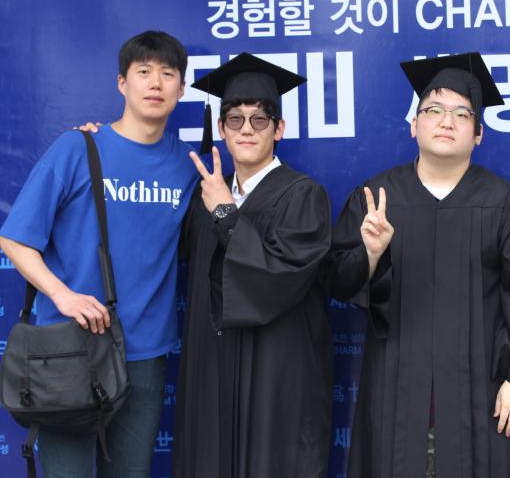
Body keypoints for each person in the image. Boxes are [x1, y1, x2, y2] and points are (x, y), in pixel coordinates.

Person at [327, 52, 510, 478]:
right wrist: (371, 253)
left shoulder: (506, 204)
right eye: (433, 110)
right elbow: (338, 282)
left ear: (479, 133)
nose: (447, 121)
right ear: (414, 125)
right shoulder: (377, 198)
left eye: (462, 114)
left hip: (485, 393)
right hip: (397, 386)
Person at [0, 31, 198, 478]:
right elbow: (14, 239)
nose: (156, 83)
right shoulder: (78, 148)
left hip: (145, 354)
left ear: (181, 89)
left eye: (168, 74)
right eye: (143, 71)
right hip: (70, 349)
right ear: (121, 83)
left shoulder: (188, 167)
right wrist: (63, 295)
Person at [172, 54, 332, 478]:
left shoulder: (303, 195)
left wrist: (226, 214)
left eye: (260, 120)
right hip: (211, 370)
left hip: (275, 376)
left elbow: (280, 275)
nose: (246, 129)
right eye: (235, 119)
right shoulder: (205, 197)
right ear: (221, 128)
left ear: (279, 129)